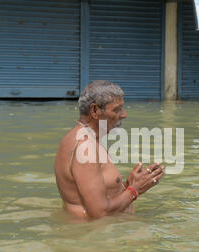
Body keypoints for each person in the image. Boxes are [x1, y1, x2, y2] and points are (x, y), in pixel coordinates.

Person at [54, 80, 165, 219]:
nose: (124, 114)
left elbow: (96, 196)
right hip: (94, 236)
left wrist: (129, 184)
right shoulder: (86, 148)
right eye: (117, 109)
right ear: (95, 111)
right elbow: (99, 213)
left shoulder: (80, 138)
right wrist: (135, 190)